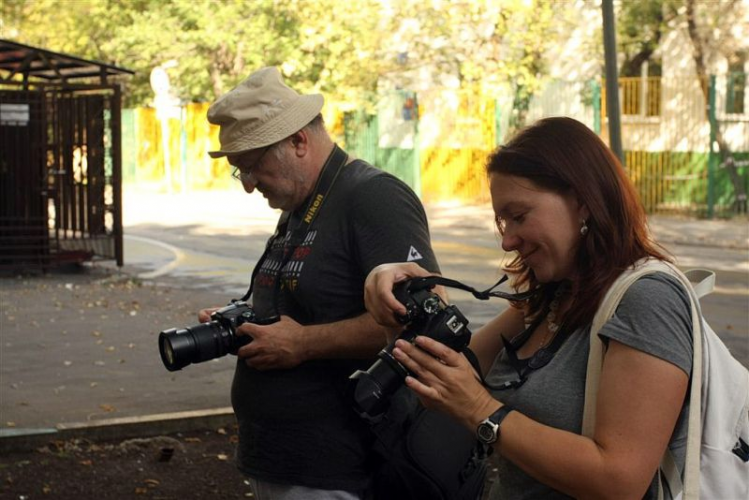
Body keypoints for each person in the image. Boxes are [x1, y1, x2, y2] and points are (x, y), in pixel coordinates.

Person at [364, 116, 693, 499]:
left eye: (519, 217)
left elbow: (620, 479)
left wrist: (483, 411)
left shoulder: (647, 299)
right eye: (502, 223)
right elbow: (447, 381)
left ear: (582, 201)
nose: (507, 241)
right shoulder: (550, 296)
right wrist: (397, 298)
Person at [201, 67, 440, 499]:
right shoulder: (299, 201)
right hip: (284, 463)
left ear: (298, 141)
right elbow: (302, 306)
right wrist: (243, 324)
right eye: (240, 172)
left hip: (341, 470)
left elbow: (423, 321)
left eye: (253, 166)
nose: (249, 186)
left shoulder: (373, 196)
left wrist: (303, 344)